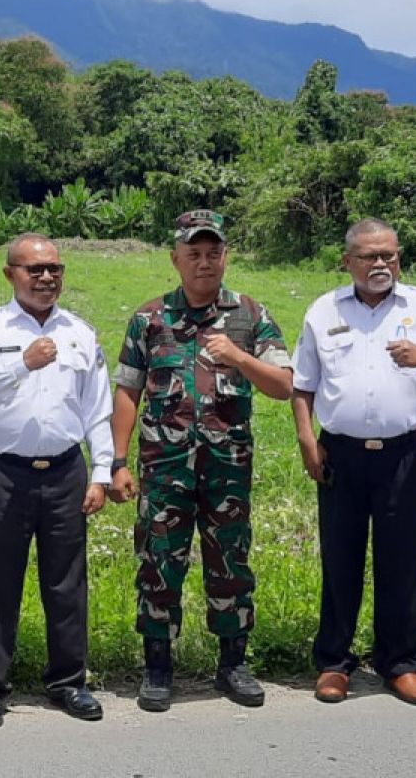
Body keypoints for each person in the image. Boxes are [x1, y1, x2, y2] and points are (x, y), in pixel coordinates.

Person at [109, 209, 293, 712]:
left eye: (214, 253)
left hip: (227, 468)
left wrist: (238, 356)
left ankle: (233, 663)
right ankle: (158, 666)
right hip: (164, 468)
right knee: (158, 563)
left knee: (230, 564)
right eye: (194, 254)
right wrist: (118, 461)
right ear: (176, 259)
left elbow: (284, 385)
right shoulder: (150, 319)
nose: (205, 263)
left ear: (226, 256)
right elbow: (127, 391)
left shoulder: (251, 315)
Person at [292, 217, 416, 705]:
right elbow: (302, 384)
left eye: (389, 255)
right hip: (341, 454)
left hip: (402, 455)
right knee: (341, 559)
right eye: (370, 256)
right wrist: (308, 441)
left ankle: (400, 664)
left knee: (402, 562)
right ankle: (334, 662)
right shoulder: (323, 309)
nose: (380, 264)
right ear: (348, 261)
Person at [0, 233, 113, 729]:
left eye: (54, 270)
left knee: (67, 583)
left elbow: (98, 408)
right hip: (6, 472)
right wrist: (21, 363)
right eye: (34, 270)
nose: (46, 278)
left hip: (66, 471)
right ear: (10, 275)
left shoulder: (81, 332)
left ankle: (69, 681)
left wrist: (103, 471)